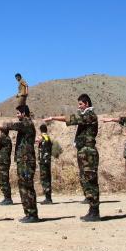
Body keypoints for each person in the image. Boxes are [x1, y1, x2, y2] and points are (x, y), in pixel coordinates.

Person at [43, 93, 101, 221]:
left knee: (90, 181)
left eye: (80, 104)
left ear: (86, 104)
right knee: (85, 180)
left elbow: (72, 119)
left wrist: (53, 117)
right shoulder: (86, 115)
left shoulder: (90, 115)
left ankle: (95, 211)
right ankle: (92, 209)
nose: (79, 106)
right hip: (83, 151)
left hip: (88, 152)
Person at [0, 105, 40, 223]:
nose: (17, 116)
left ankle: (33, 214)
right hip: (23, 160)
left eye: (18, 113)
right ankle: (29, 213)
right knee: (23, 186)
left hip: (26, 160)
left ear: (23, 113)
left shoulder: (27, 123)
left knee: (27, 187)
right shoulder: (24, 124)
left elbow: (12, 126)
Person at [37, 124, 55, 204]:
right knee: (47, 178)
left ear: (41, 130)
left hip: (44, 161)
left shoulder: (45, 136)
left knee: (45, 179)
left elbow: (40, 139)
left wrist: (42, 136)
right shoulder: (47, 137)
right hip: (46, 160)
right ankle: (48, 198)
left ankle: (48, 198)